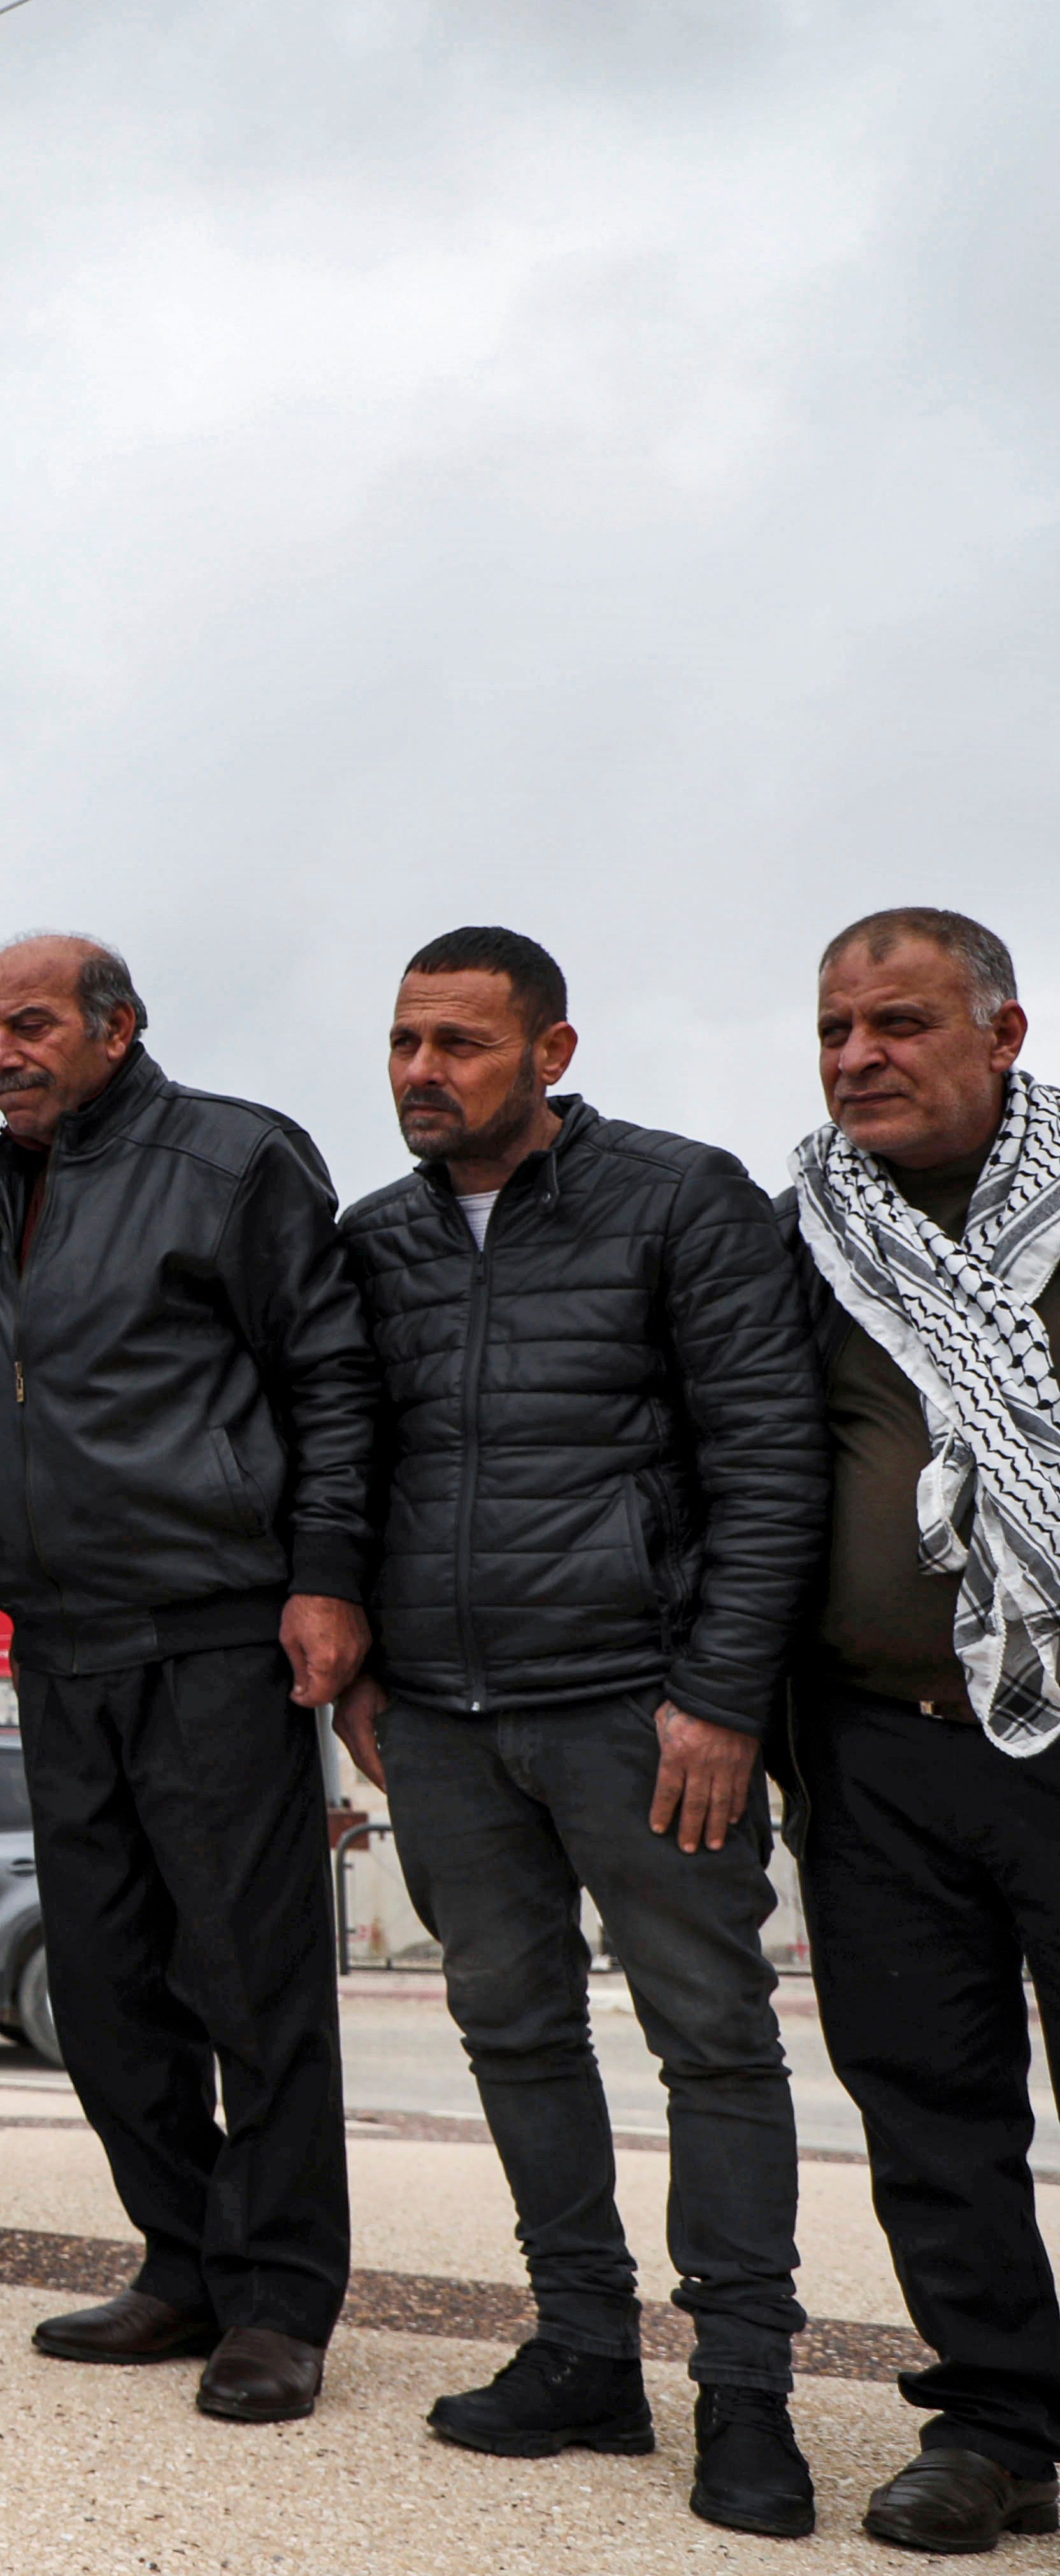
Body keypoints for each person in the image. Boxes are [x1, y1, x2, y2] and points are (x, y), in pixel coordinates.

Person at [333, 926, 821, 2535]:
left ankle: (744, 2389)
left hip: (642, 1706)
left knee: (714, 2037)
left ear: (551, 1050)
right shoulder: (374, 1239)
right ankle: (584, 2351)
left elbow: (770, 1462)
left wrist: (723, 1695)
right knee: (516, 2032)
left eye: (461, 1043)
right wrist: (358, 1673)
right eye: (407, 1041)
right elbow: (342, 1462)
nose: (422, 1072)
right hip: (449, 1723)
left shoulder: (683, 1199)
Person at [0, 933, 376, 2425]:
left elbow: (332, 1373)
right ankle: (185, 2257)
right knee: (106, 1985)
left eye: (32, 1025)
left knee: (250, 1980)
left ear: (119, 1026)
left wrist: (326, 1573)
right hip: (62, 1644)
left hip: (213, 1625)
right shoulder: (2, 1189)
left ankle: (277, 2299)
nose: (5, 1052)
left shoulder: (235, 1158)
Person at [780, 907, 1060, 2552]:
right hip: (879, 1741)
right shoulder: (802, 1232)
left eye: (897, 1023)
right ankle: (1002, 2424)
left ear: (1002, 1035)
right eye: (834, 1030)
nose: (858, 1059)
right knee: (926, 2094)